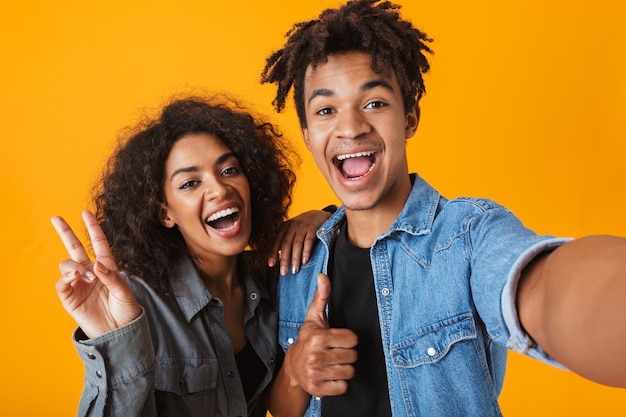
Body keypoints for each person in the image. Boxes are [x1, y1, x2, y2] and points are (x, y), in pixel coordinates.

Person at [259, 1, 626, 416]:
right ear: (307, 134)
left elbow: (545, 289)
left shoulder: (468, 236)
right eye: (326, 110)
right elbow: (283, 405)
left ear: (409, 118)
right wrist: (294, 372)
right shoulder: (295, 263)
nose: (350, 127)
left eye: (375, 103)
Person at [51, 95, 332, 417]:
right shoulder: (134, 302)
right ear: (164, 213)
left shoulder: (270, 281)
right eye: (190, 183)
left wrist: (325, 218)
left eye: (229, 170)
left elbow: (280, 402)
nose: (219, 189)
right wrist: (117, 342)